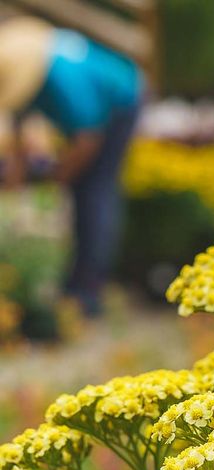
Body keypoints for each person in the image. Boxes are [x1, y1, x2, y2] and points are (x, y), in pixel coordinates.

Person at [0, 16, 144, 317]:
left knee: (94, 193)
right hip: (88, 121)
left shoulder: (64, 79)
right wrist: (16, 173)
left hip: (122, 101)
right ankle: (74, 285)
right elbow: (17, 129)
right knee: (81, 191)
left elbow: (87, 140)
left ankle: (87, 291)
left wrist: (61, 177)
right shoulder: (25, 78)